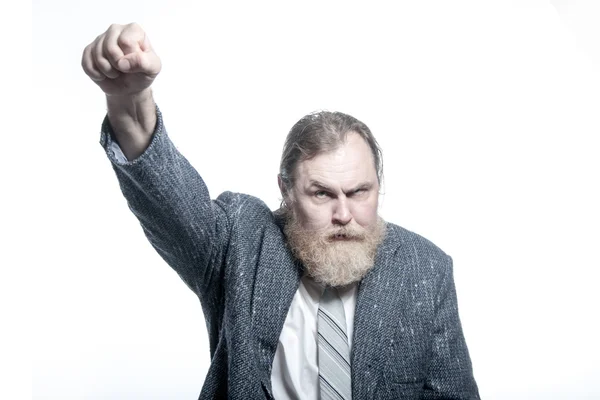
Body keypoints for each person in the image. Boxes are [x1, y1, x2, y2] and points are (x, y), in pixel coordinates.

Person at [82, 23, 480, 400]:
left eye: (359, 192)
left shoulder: (426, 269)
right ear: (286, 190)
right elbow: (170, 201)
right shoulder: (240, 241)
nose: (344, 213)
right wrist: (129, 100)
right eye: (322, 194)